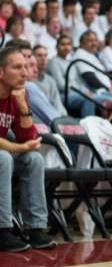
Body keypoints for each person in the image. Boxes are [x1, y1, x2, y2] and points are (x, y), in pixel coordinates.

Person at [0, 47, 56, 252]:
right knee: (3, 158)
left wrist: (23, 105)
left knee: (34, 159)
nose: (24, 72)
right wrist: (22, 146)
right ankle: (3, 229)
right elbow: (20, 143)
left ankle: (35, 228)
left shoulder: (17, 95)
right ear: (0, 72)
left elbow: (28, 137)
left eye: (25, 67)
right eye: (17, 67)